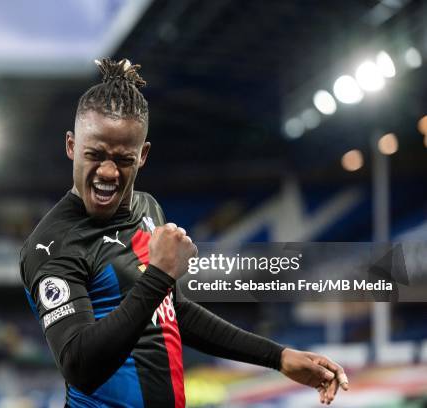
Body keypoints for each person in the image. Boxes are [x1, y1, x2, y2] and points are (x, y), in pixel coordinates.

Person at [20, 58, 349, 407]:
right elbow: (79, 366)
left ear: (143, 155)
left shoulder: (148, 210)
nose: (108, 172)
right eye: (94, 154)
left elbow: (173, 310)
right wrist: (159, 274)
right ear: (71, 146)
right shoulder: (51, 245)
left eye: (124, 159)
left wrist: (277, 356)